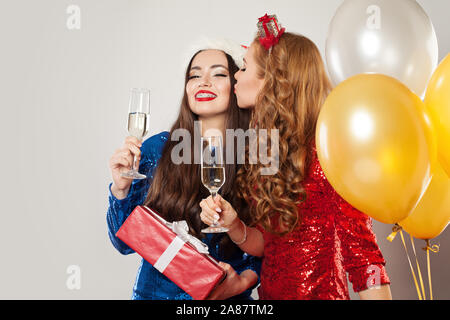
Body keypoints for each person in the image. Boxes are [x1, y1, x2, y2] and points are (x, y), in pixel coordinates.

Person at [199, 14, 392, 300]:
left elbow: (364, 258)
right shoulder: (269, 149)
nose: (236, 75)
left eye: (245, 66)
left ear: (273, 80)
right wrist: (235, 225)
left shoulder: (327, 153)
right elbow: (269, 245)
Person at [107, 39, 261, 300]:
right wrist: (120, 190)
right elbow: (124, 243)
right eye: (195, 75)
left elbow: (274, 247)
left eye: (218, 73)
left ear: (237, 85)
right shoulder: (158, 148)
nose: (204, 81)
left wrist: (242, 282)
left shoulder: (259, 152)